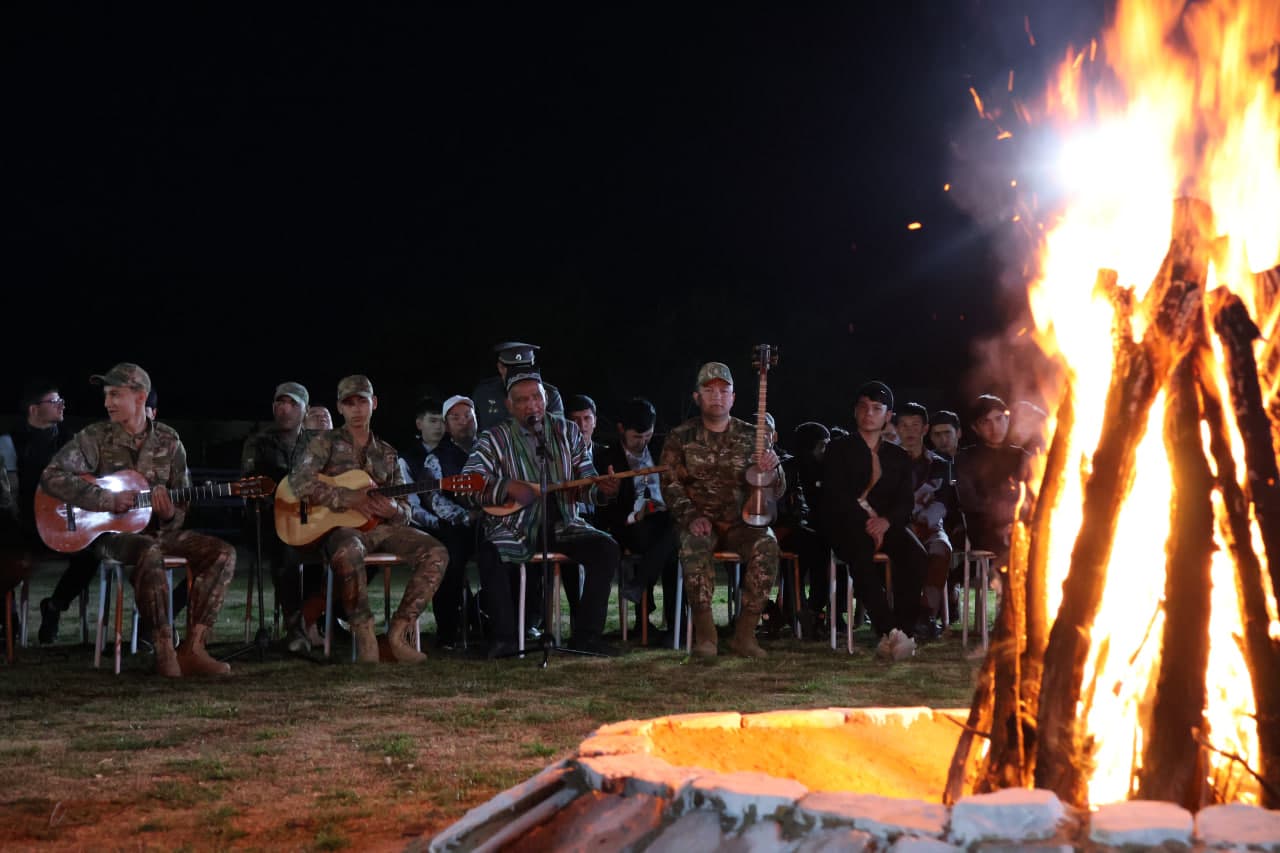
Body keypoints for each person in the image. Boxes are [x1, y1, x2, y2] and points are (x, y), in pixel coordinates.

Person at [39, 363, 238, 676]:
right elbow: (52, 476)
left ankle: (194, 649)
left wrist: (169, 514)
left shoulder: (170, 442)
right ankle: (163, 650)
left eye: (115, 394)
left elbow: (182, 501)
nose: (108, 402)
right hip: (112, 538)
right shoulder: (95, 437)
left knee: (222, 553)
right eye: (107, 395)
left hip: (158, 533)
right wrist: (106, 500)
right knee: (149, 550)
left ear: (140, 397)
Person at [288, 375, 450, 663]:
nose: (356, 409)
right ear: (340, 407)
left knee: (436, 552)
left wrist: (394, 510)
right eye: (349, 403)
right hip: (340, 528)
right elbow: (299, 482)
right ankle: (364, 634)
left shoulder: (387, 453)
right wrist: (347, 498)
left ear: (373, 403)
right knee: (348, 550)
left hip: (382, 529)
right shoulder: (324, 443)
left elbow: (405, 509)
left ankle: (398, 633)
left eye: (362, 402)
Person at [462, 368, 620, 658]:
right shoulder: (493, 438)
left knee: (606, 548)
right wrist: (507, 487)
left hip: (564, 524)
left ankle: (586, 637)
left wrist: (602, 490)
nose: (531, 405)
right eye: (522, 400)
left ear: (546, 399)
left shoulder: (568, 431)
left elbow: (586, 481)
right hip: (514, 526)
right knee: (489, 554)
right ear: (509, 405)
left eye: (536, 397)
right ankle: (505, 639)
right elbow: (468, 484)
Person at [660, 362, 784, 658]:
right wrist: (691, 517)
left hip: (744, 523)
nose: (717, 396)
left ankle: (745, 634)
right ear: (697, 397)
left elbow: (777, 490)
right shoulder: (680, 437)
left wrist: (774, 469)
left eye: (723, 391)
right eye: (709, 390)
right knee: (693, 547)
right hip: (701, 521)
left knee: (768, 545)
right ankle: (706, 636)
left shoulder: (754, 436)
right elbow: (669, 484)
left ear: (733, 398)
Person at [821, 380, 925, 660]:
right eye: (864, 407)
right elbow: (834, 495)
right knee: (860, 555)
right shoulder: (838, 450)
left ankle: (905, 630)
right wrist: (867, 521)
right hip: (850, 525)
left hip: (887, 525)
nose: (869, 413)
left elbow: (906, 501)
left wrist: (886, 522)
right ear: (855, 411)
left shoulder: (898, 456)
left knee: (915, 553)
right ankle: (888, 629)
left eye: (877, 408)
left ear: (888, 416)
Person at [240, 381, 320, 651]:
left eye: (292, 403)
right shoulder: (258, 442)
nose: (284, 409)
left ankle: (317, 618)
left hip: (312, 520)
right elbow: (250, 485)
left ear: (305, 409)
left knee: (340, 544)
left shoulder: (317, 443)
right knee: (287, 546)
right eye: (279, 402)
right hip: (269, 521)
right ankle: (295, 627)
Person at [596, 397, 677, 642]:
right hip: (629, 523)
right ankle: (670, 624)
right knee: (670, 541)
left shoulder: (663, 449)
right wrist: (612, 492)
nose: (643, 442)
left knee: (675, 538)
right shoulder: (607, 458)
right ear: (621, 429)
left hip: (663, 519)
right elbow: (604, 505)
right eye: (636, 437)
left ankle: (643, 586)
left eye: (647, 436)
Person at [398, 397, 472, 648]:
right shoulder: (408, 459)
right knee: (449, 553)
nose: (439, 427)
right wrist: (440, 523)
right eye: (433, 421)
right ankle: (448, 630)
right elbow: (412, 505)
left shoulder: (465, 452)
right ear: (419, 424)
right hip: (427, 526)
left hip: (459, 524)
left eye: (442, 421)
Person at [894, 401, 957, 637]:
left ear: (925, 429)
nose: (910, 431)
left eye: (915, 425)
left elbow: (942, 502)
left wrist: (922, 524)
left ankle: (926, 614)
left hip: (929, 526)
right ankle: (899, 612)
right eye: (904, 425)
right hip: (897, 525)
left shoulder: (940, 464)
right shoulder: (887, 462)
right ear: (897, 429)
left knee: (941, 547)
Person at [954, 394, 1033, 567]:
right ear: (975, 428)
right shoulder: (966, 459)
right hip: (985, 531)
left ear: (1007, 419)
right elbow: (970, 501)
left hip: (1022, 528)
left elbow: (1033, 493)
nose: (994, 427)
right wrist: (1000, 519)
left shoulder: (1022, 457)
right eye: (985, 422)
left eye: (999, 419)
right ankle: (995, 577)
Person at [472, 341, 564, 433]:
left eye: (525, 369)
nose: (519, 375)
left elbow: (558, 434)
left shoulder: (550, 394)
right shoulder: (484, 393)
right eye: (513, 370)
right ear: (500, 368)